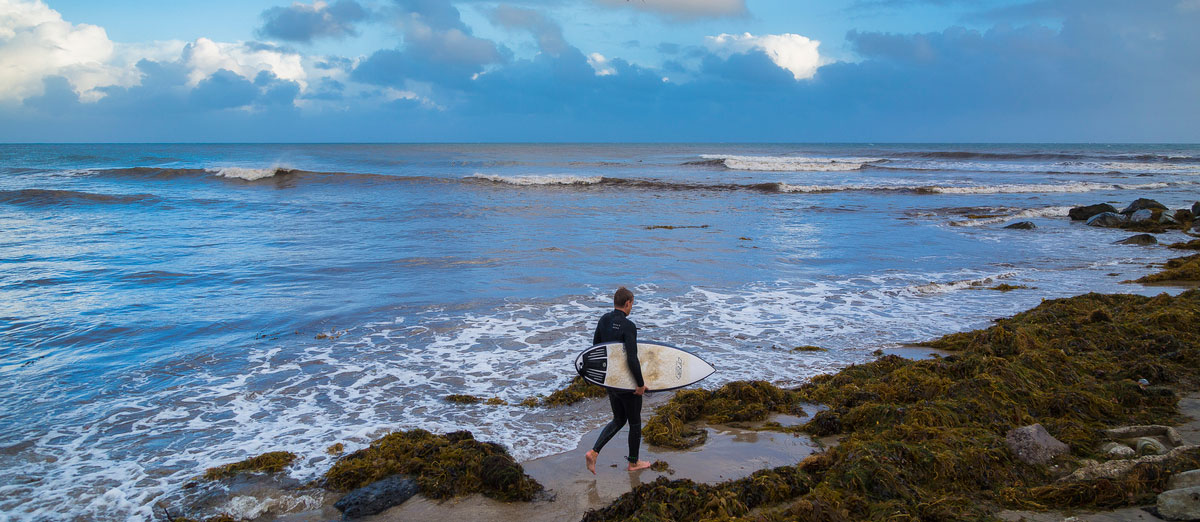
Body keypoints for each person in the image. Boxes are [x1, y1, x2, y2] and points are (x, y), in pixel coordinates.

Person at [585, 286, 651, 473]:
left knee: (620, 418)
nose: (632, 308)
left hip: (611, 380)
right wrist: (640, 384)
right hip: (626, 382)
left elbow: (596, 349)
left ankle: (594, 452)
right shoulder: (629, 326)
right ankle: (633, 463)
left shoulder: (603, 320)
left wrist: (601, 379)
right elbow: (632, 358)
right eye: (632, 304)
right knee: (635, 422)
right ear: (628, 303)